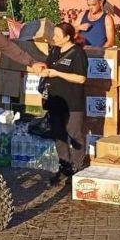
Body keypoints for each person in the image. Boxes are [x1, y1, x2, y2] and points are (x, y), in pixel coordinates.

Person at [40, 22, 89, 184]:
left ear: (67, 37)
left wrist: (57, 73)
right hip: (55, 101)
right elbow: (47, 68)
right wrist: (43, 70)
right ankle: (64, 166)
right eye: (53, 34)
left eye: (57, 36)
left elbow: (81, 78)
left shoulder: (77, 53)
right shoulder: (54, 51)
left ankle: (77, 167)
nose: (53, 38)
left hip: (73, 101)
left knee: (75, 135)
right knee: (59, 136)